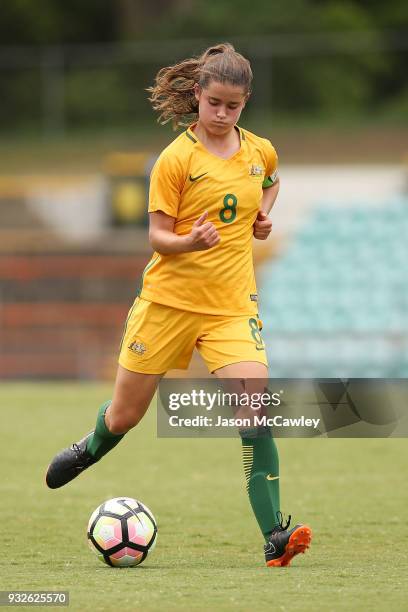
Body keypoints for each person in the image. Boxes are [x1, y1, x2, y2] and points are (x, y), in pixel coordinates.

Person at [46, 42, 312, 567]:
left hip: (232, 308)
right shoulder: (175, 160)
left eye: (233, 106)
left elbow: (272, 185)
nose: (222, 113)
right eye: (214, 102)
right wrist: (190, 242)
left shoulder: (260, 151)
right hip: (166, 305)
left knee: (254, 408)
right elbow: (157, 237)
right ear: (197, 95)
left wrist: (261, 217)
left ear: (246, 102)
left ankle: (274, 538)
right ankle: (93, 446)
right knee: (126, 415)